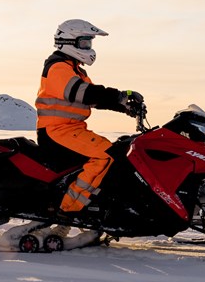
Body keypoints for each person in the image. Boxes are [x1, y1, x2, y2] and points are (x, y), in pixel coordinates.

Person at [35, 19, 144, 214]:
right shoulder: (57, 66)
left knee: (117, 152)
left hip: (70, 130)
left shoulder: (74, 69)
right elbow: (84, 93)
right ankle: (70, 209)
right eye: (84, 43)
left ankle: (101, 203)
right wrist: (119, 95)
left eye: (89, 43)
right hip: (57, 132)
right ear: (69, 42)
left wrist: (124, 104)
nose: (88, 48)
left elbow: (94, 98)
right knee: (104, 157)